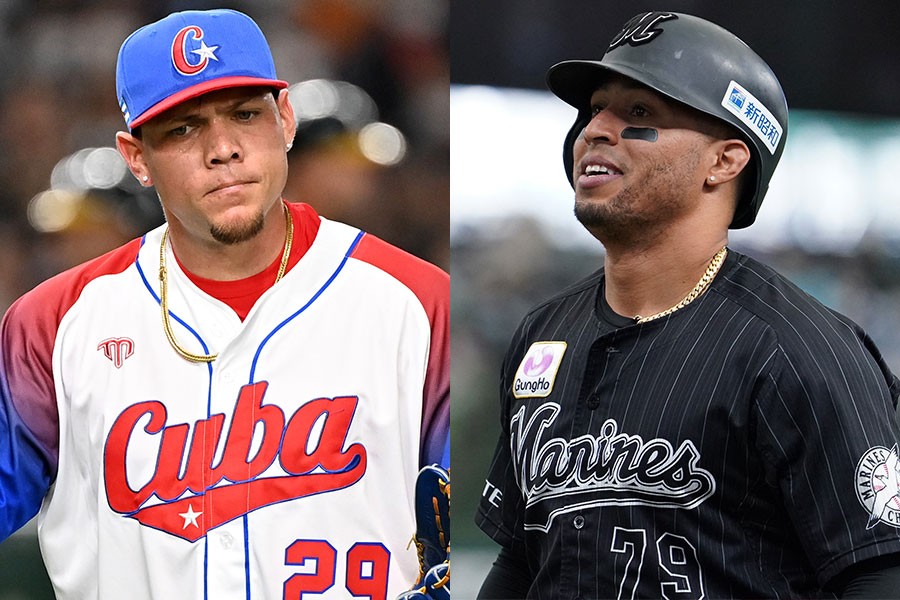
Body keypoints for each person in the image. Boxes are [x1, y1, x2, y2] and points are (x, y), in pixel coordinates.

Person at [0, 9, 448, 600]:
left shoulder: (416, 302)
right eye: (183, 129)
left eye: (244, 115)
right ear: (136, 157)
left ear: (284, 119)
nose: (223, 149)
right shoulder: (52, 326)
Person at [475, 11, 900, 599]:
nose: (595, 128)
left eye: (640, 114)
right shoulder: (544, 333)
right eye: (596, 108)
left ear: (724, 160)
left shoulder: (802, 349)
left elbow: (877, 573)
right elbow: (520, 560)